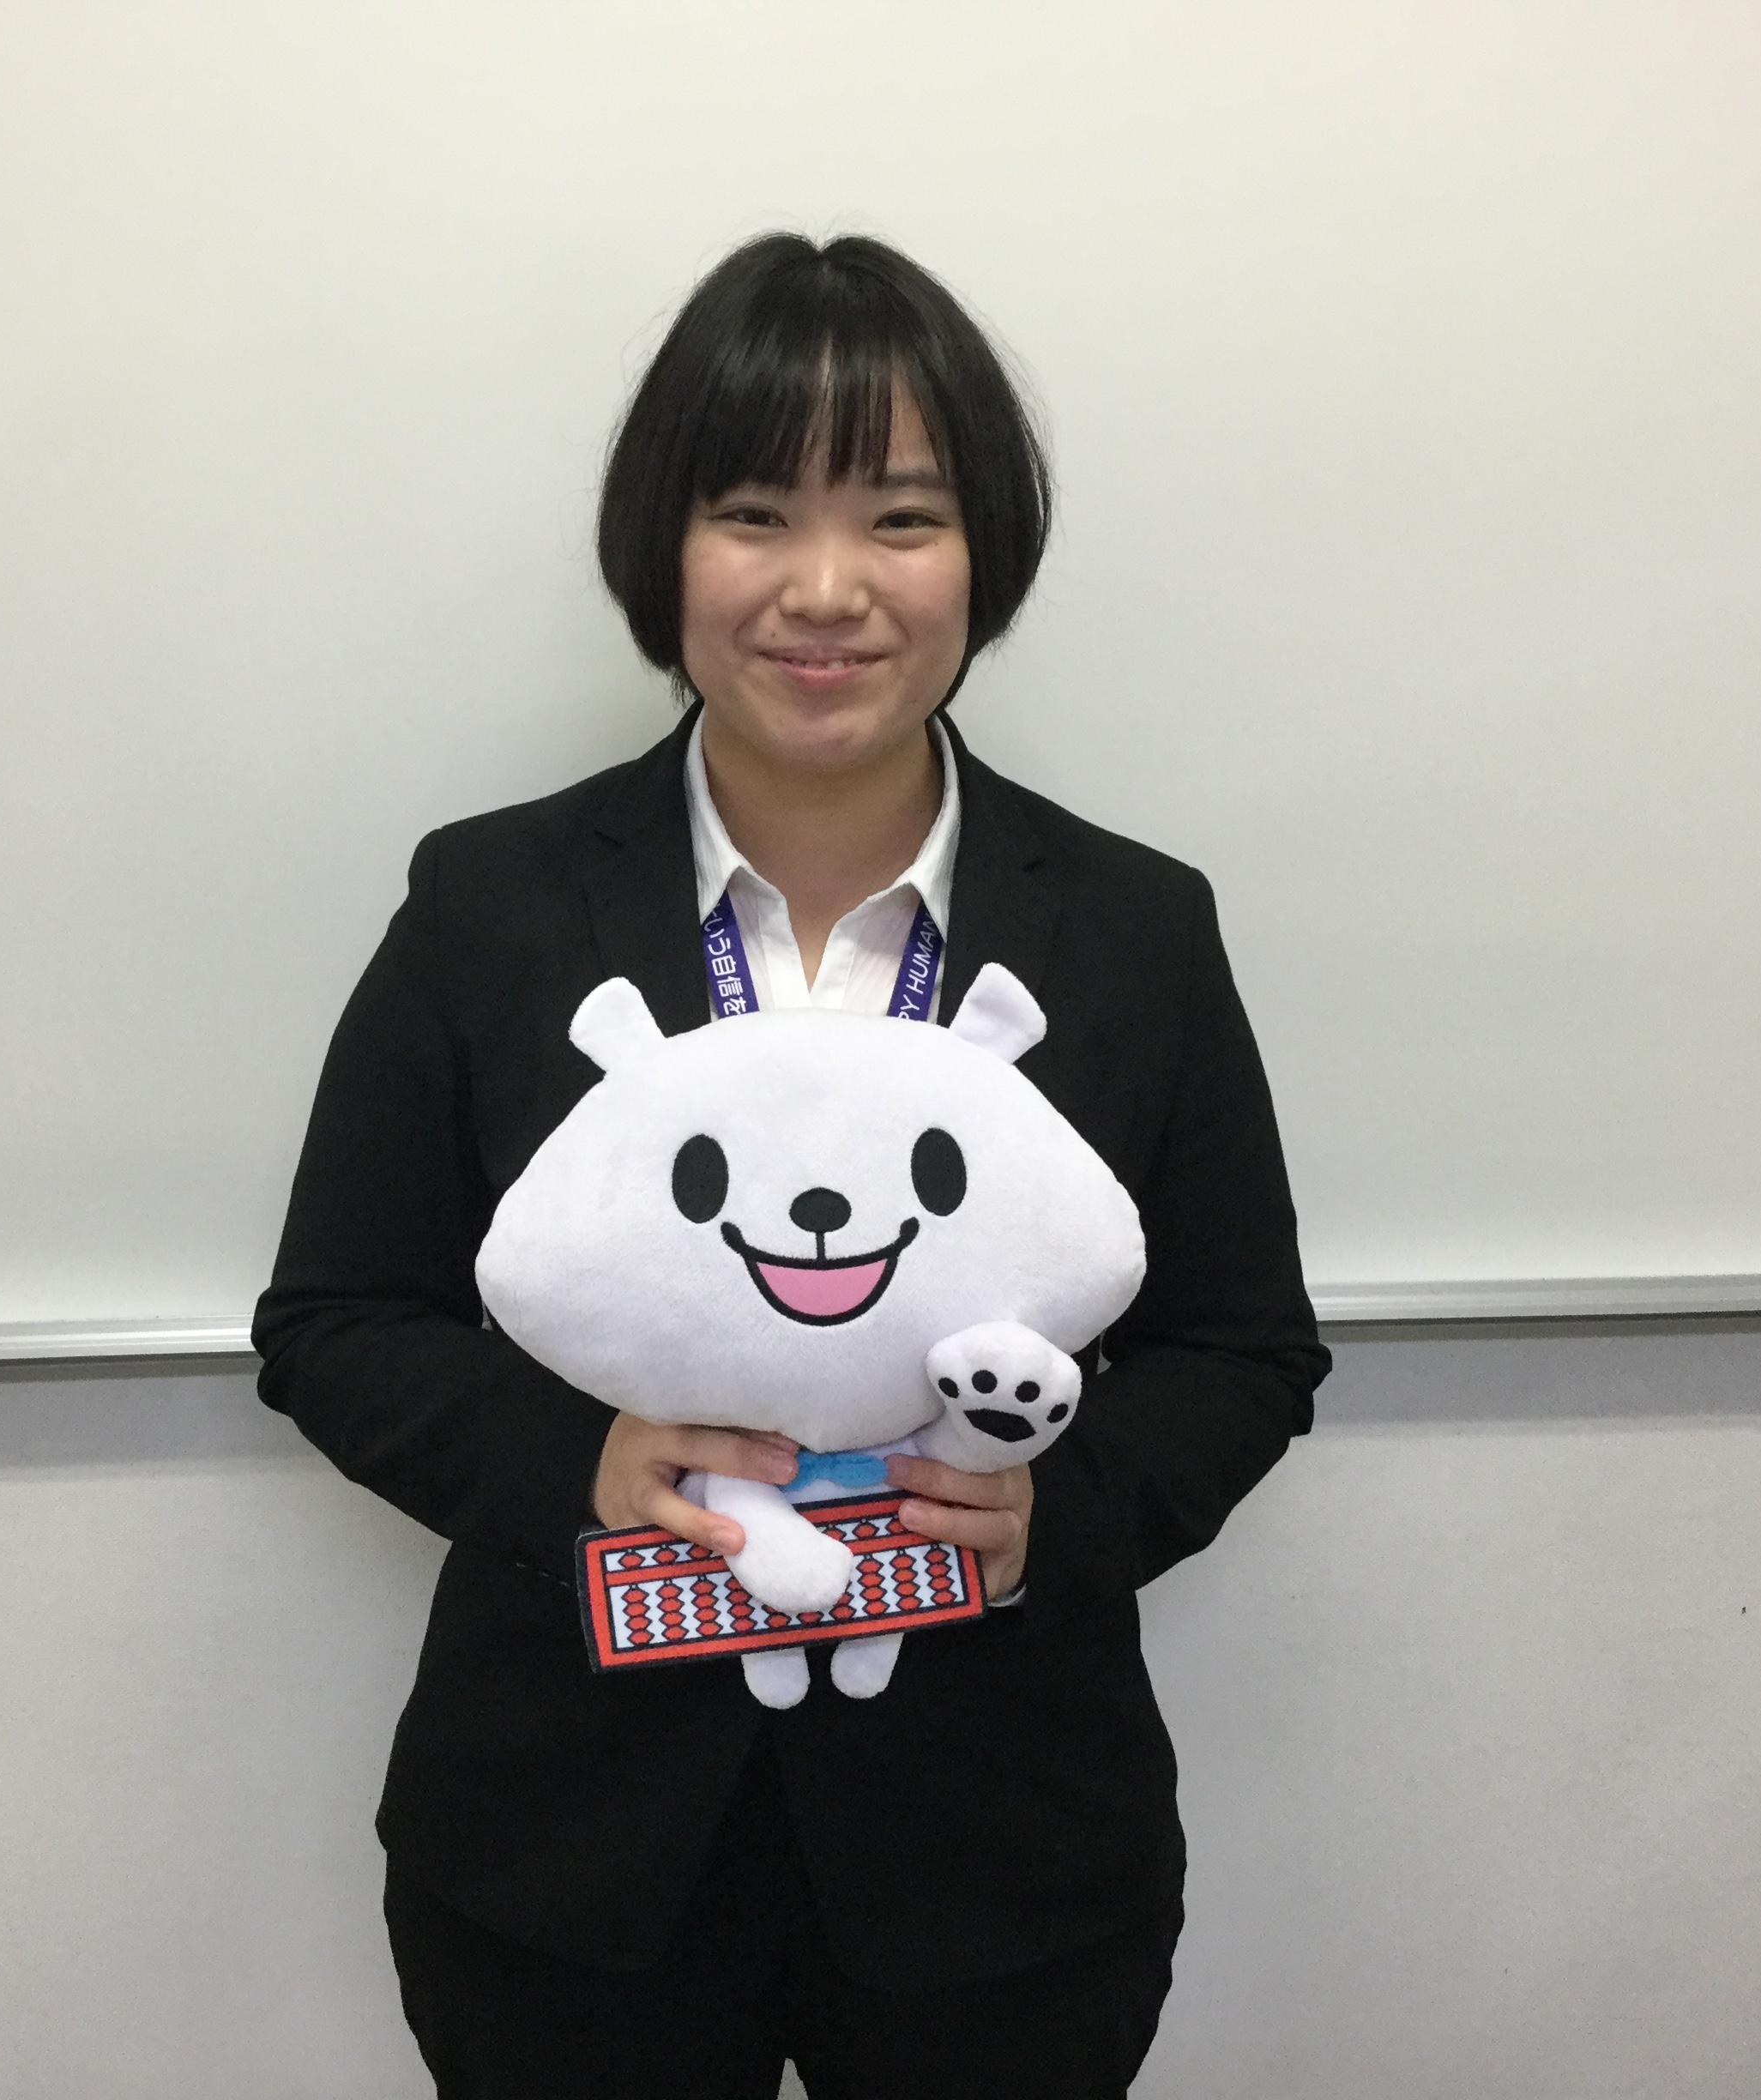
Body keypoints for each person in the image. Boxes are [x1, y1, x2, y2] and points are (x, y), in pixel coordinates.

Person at [251, 232, 1328, 2099]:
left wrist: (1050, 1517)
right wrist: (581, 1469)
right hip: (574, 1861)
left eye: (902, 519)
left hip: (1002, 1865)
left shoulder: (1134, 930)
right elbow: (336, 1320)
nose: (826, 590)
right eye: (754, 514)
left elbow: (1245, 1350)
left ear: (983, 553)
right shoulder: (492, 907)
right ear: (662, 547)